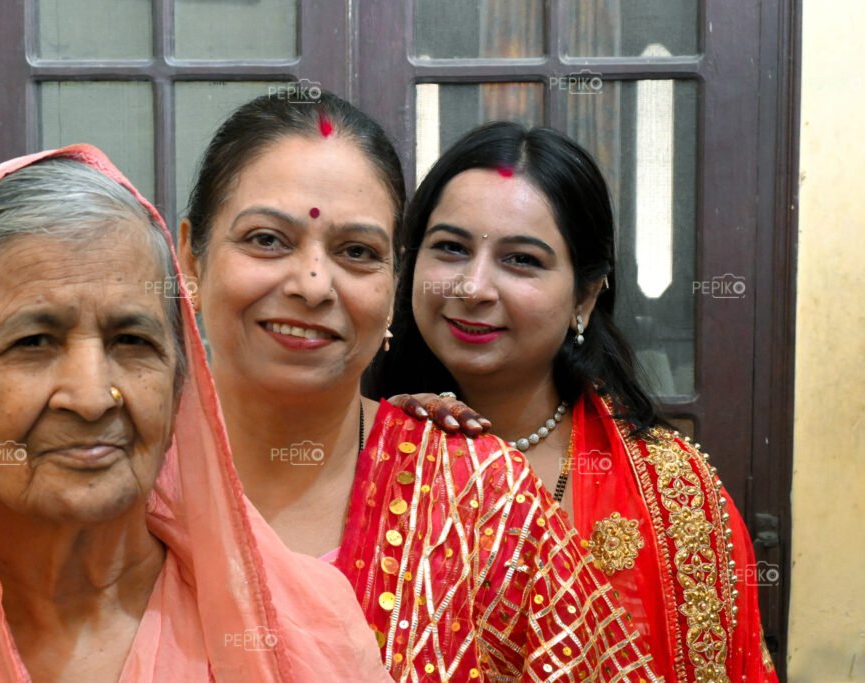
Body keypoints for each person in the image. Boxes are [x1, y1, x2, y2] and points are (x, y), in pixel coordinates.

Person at [0, 145, 392, 682]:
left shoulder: (306, 629)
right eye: (34, 342)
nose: (90, 396)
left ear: (181, 379)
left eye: (131, 341)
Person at [181, 92, 662, 681]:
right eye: (266, 240)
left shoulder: (485, 503)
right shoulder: (111, 476)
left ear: (390, 284)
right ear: (190, 260)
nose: (311, 285)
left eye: (356, 251)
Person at [368, 122, 778, 682]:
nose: (474, 287)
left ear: (585, 295)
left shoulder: (676, 495)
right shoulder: (360, 451)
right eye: (450, 248)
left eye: (521, 260)